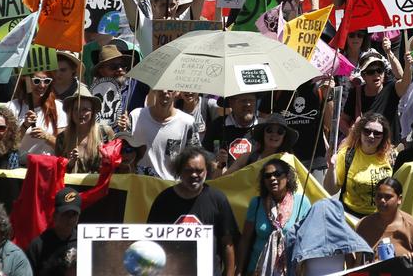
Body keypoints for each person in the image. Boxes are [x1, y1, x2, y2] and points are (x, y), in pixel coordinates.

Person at [147, 147, 238, 276]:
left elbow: (227, 244)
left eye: (199, 171)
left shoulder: (218, 199)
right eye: (188, 170)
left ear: (207, 171)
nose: (194, 175)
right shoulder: (164, 200)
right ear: (179, 171)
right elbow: (152, 243)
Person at [237, 157, 311, 275]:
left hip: (290, 271)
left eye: (277, 174)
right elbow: (245, 240)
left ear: (287, 177)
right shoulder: (256, 203)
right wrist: (239, 272)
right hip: (257, 270)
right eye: (268, 176)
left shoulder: (302, 201)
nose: (272, 178)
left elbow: (309, 240)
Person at [326, 112, 394, 217]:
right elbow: (330, 190)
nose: (371, 136)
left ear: (383, 136)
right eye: (367, 131)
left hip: (381, 218)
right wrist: (331, 168)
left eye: (377, 133)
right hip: (350, 217)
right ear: (360, 132)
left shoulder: (391, 157)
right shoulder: (347, 154)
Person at [128, 88, 199, 179]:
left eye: (170, 89)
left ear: (177, 92)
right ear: (154, 90)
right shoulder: (136, 116)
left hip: (169, 188)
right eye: (161, 88)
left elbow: (194, 157)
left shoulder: (188, 123)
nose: (165, 92)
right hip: (139, 185)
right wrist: (123, 132)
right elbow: (124, 151)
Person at [355, 177, 413, 258]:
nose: (382, 200)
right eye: (379, 196)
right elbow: (353, 261)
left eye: (388, 197)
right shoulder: (363, 225)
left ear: (399, 199)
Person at [55, 86, 113, 173]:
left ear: (93, 112)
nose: (80, 113)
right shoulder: (62, 138)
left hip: (99, 185)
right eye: (76, 109)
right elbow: (58, 171)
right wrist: (70, 163)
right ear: (71, 112)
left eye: (85, 109)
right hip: (72, 185)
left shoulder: (105, 132)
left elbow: (114, 164)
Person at [25, 188, 80, 274]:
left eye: (74, 214)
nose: (70, 219)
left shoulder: (84, 244)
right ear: (55, 215)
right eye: (65, 214)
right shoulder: (38, 246)